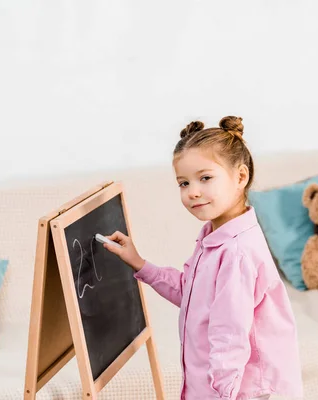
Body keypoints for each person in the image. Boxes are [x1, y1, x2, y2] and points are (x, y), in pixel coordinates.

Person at [104, 116, 303, 400]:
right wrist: (140, 263)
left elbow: (229, 337)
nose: (192, 192)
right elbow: (192, 293)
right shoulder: (213, 236)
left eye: (205, 178)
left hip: (240, 392)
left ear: (240, 177)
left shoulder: (236, 252)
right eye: (183, 183)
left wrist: (221, 395)